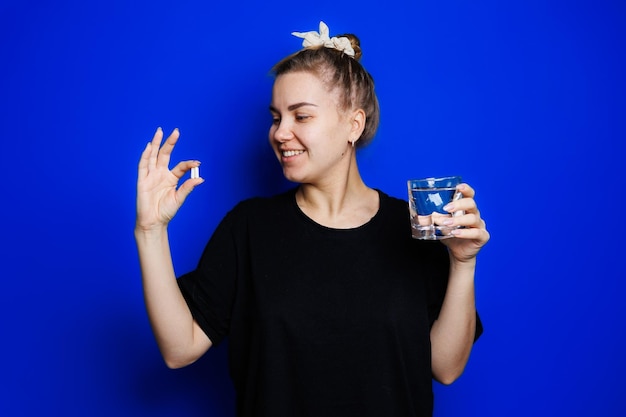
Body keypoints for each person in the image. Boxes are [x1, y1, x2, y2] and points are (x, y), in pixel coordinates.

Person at [135, 21, 490, 417]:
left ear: (353, 125)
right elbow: (179, 349)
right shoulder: (249, 227)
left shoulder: (413, 227)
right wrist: (150, 231)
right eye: (276, 117)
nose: (280, 133)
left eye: (301, 117)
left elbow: (446, 368)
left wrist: (462, 263)